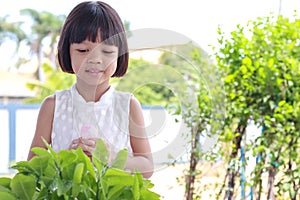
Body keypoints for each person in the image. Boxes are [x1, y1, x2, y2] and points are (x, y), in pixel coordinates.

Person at [27, 1, 154, 178]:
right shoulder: (52, 106)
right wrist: (65, 159)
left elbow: (147, 166)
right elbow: (32, 167)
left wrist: (112, 159)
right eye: (83, 50)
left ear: (120, 54)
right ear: (67, 51)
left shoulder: (128, 105)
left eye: (107, 52)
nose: (95, 59)